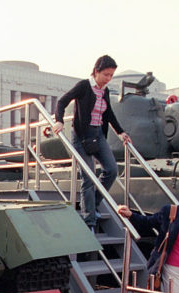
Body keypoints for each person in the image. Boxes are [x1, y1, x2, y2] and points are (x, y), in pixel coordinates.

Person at [53, 54, 131, 228]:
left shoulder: (105, 90)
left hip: (98, 135)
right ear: (96, 71)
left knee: (111, 170)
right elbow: (62, 101)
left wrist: (121, 133)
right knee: (88, 176)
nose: (108, 79)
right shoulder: (84, 86)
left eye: (111, 76)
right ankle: (90, 220)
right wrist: (59, 120)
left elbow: (108, 113)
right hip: (81, 136)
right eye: (106, 75)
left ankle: (92, 203)